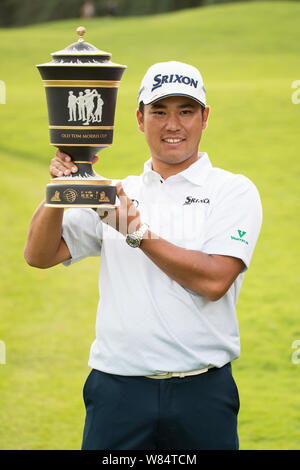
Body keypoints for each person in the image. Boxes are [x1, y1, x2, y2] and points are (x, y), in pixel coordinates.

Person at [24, 61, 263, 450]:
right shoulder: (118, 191)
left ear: (205, 118)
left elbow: (214, 280)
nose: (173, 124)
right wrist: (59, 190)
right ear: (139, 119)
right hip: (117, 392)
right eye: (159, 111)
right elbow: (39, 254)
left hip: (202, 392)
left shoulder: (233, 191)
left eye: (185, 111)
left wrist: (135, 233)